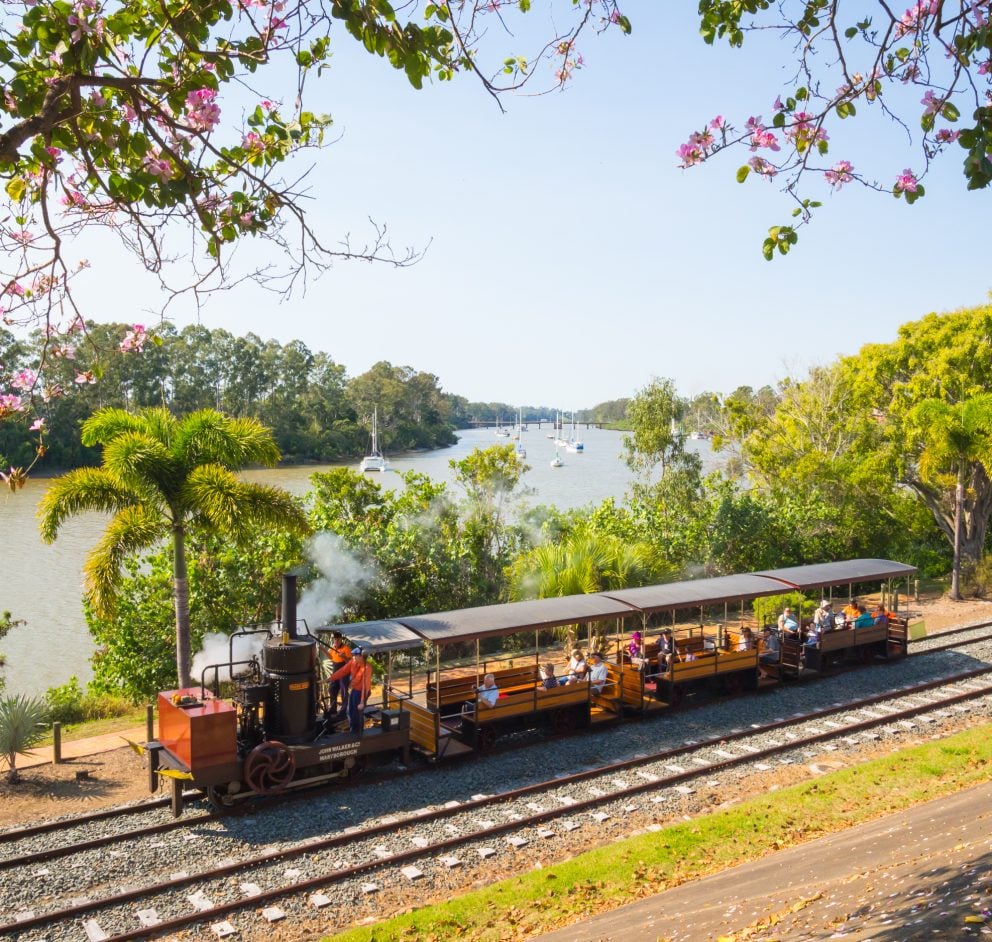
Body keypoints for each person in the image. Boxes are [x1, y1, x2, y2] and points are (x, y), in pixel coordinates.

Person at [329, 645, 372, 736]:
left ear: (361, 656)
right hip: (355, 690)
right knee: (349, 711)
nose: (353, 657)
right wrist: (331, 678)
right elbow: (343, 671)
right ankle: (353, 730)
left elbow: (366, 686)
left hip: (362, 692)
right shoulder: (353, 662)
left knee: (357, 712)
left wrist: (362, 702)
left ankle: (358, 733)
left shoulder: (367, 668)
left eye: (355, 655)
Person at [327, 630, 352, 717]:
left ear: (341, 639)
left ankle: (343, 711)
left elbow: (349, 662)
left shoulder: (346, 649)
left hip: (344, 672)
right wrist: (323, 650)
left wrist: (344, 656)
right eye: (335, 639)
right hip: (335, 671)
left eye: (338, 639)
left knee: (344, 691)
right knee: (331, 689)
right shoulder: (332, 648)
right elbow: (330, 657)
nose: (336, 641)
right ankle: (333, 708)